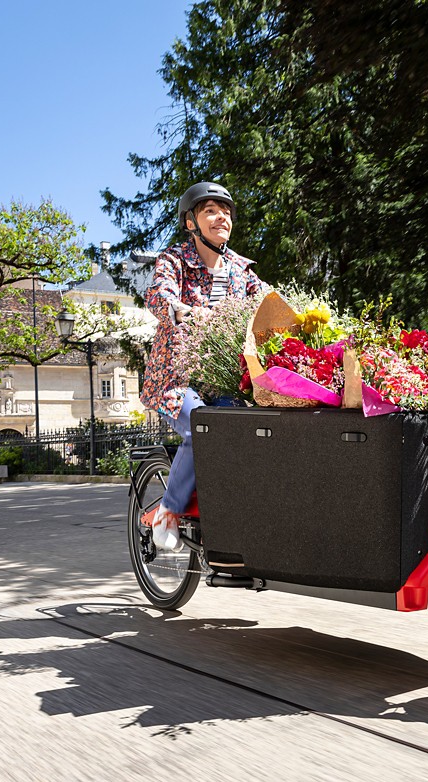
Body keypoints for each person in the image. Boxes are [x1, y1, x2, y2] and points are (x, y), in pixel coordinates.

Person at [139, 181, 266, 550]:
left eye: (225, 210)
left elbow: (271, 303)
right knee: (202, 427)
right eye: (209, 210)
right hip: (176, 380)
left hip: (226, 382)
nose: (220, 216)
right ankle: (168, 510)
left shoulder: (242, 271)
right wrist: (177, 308)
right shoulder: (175, 260)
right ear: (191, 223)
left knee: (259, 434)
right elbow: (158, 292)